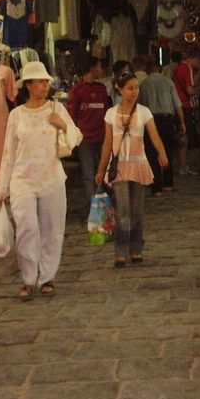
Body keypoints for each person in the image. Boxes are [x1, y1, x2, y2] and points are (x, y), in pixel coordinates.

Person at [0, 61, 82, 300]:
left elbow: (76, 137)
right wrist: (1, 189)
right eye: (40, 82)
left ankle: (47, 277)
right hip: (22, 180)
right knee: (26, 229)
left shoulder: (57, 109)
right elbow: (8, 153)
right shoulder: (16, 115)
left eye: (46, 82)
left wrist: (62, 125)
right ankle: (28, 278)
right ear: (29, 85)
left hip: (51, 178)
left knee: (52, 230)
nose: (44, 86)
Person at [95, 72, 168, 267]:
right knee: (123, 209)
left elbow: (154, 135)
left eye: (136, 87)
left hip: (138, 164)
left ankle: (136, 248)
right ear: (119, 89)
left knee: (137, 210)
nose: (134, 91)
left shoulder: (144, 112)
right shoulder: (111, 113)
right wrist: (101, 169)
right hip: (118, 166)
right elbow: (107, 143)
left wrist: (162, 153)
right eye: (129, 88)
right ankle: (120, 250)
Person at [67, 55, 111, 209]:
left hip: (102, 138)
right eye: (99, 66)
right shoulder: (77, 91)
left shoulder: (102, 89)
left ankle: (104, 206)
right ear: (92, 68)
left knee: (103, 172)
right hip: (85, 140)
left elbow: (107, 113)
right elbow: (73, 116)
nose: (101, 70)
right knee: (88, 175)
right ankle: (93, 209)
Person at [139, 57, 185, 195]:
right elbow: (177, 104)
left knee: (152, 153)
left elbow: (140, 105)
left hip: (150, 120)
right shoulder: (168, 82)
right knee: (167, 150)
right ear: (159, 69)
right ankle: (168, 183)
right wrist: (182, 122)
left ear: (148, 69)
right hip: (166, 120)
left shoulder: (143, 84)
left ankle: (156, 187)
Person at [172, 46, 200, 176]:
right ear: (195, 58)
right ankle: (183, 165)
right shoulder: (187, 68)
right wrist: (199, 91)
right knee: (184, 135)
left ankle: (183, 164)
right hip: (184, 105)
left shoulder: (179, 67)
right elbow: (190, 90)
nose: (199, 64)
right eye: (199, 61)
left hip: (177, 104)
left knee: (182, 135)